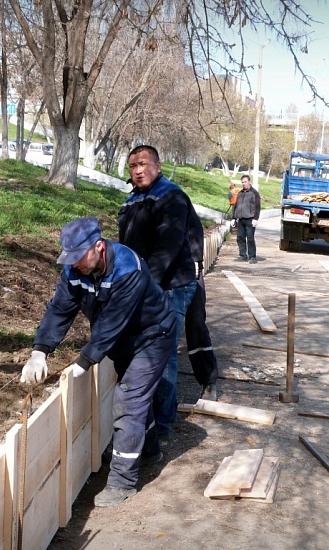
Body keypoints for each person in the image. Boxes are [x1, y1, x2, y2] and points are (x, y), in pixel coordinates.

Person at [20, 216, 177, 507]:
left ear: (99, 246)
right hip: (122, 340)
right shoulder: (74, 271)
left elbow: (111, 324)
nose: (75, 263)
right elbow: (59, 310)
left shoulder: (128, 268)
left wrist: (84, 361)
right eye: (70, 258)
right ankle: (149, 452)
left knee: (129, 400)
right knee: (137, 399)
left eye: (80, 256)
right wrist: (39, 351)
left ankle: (122, 481)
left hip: (153, 336)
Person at [118, 145, 198, 438]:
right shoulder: (132, 201)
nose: (138, 170)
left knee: (162, 355)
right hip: (144, 286)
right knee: (145, 350)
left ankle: (162, 424)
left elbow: (168, 247)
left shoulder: (171, 196)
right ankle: (155, 413)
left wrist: (145, 287)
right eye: (132, 166)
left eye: (143, 164)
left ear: (158, 165)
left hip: (170, 286)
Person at [185, 199, 219, 401]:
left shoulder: (177, 201)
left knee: (196, 324)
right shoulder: (136, 203)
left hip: (187, 273)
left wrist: (196, 264)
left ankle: (208, 380)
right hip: (155, 277)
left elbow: (195, 234)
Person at [232, 174, 261, 264]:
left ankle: (252, 257)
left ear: (249, 181)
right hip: (241, 219)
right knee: (240, 238)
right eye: (242, 182)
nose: (244, 184)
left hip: (250, 219)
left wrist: (255, 219)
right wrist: (233, 217)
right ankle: (243, 255)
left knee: (250, 238)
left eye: (245, 182)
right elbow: (236, 206)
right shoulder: (240, 193)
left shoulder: (254, 193)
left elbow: (257, 207)